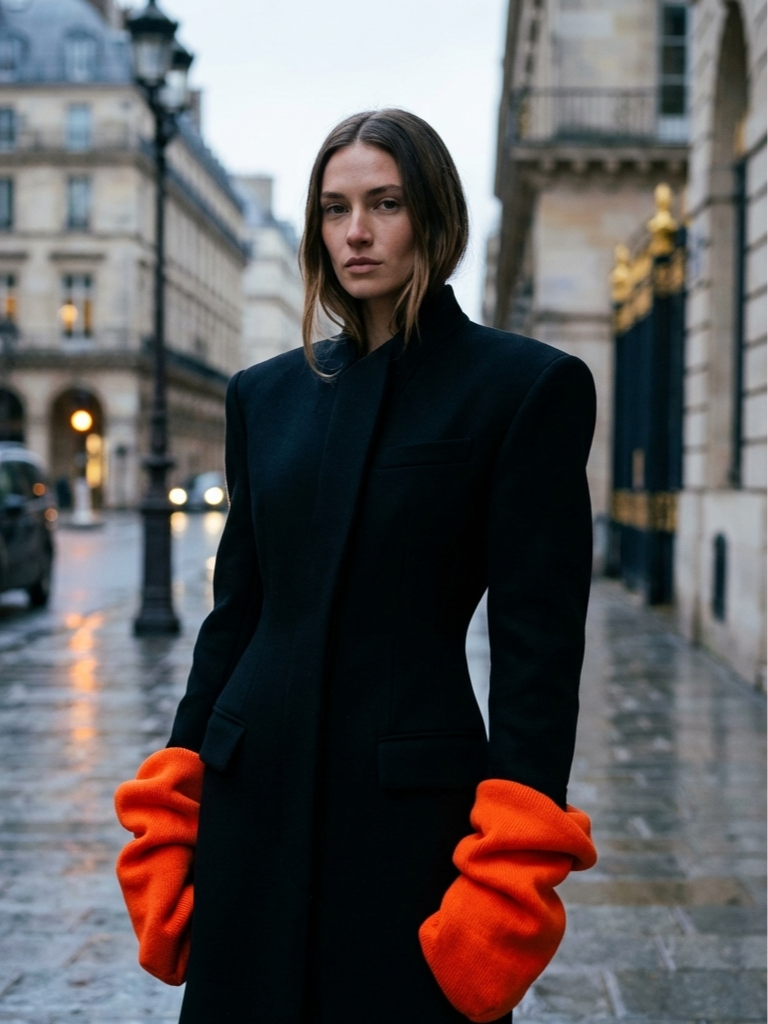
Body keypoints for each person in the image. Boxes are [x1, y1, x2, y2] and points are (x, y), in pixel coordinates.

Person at [114, 108, 598, 1024]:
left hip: (406, 813)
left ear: (436, 218)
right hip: (249, 792)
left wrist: (509, 874)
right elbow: (234, 619)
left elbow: (540, 655)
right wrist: (175, 808)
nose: (357, 232)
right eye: (335, 209)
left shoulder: (523, 387)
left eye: (386, 203)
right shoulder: (265, 395)